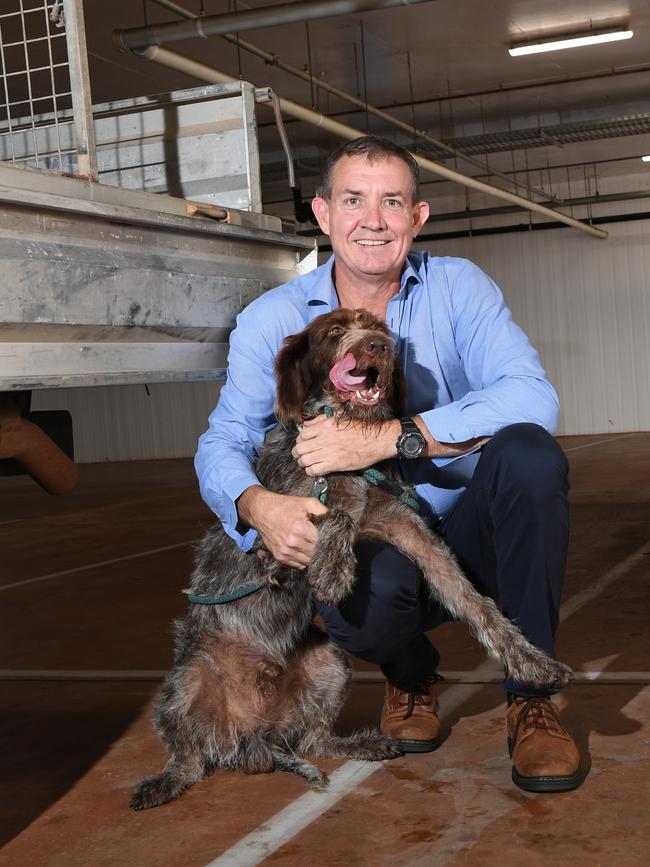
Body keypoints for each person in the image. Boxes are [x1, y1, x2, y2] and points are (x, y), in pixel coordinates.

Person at [195, 135, 581, 793]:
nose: (373, 220)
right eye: (354, 200)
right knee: (348, 578)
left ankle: (531, 696)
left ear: (417, 217)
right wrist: (256, 505)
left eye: (391, 202)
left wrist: (390, 439)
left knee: (530, 456)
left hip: (467, 532)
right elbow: (221, 440)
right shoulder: (275, 321)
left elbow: (533, 397)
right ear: (322, 213)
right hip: (376, 538)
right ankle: (409, 676)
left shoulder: (458, 288)